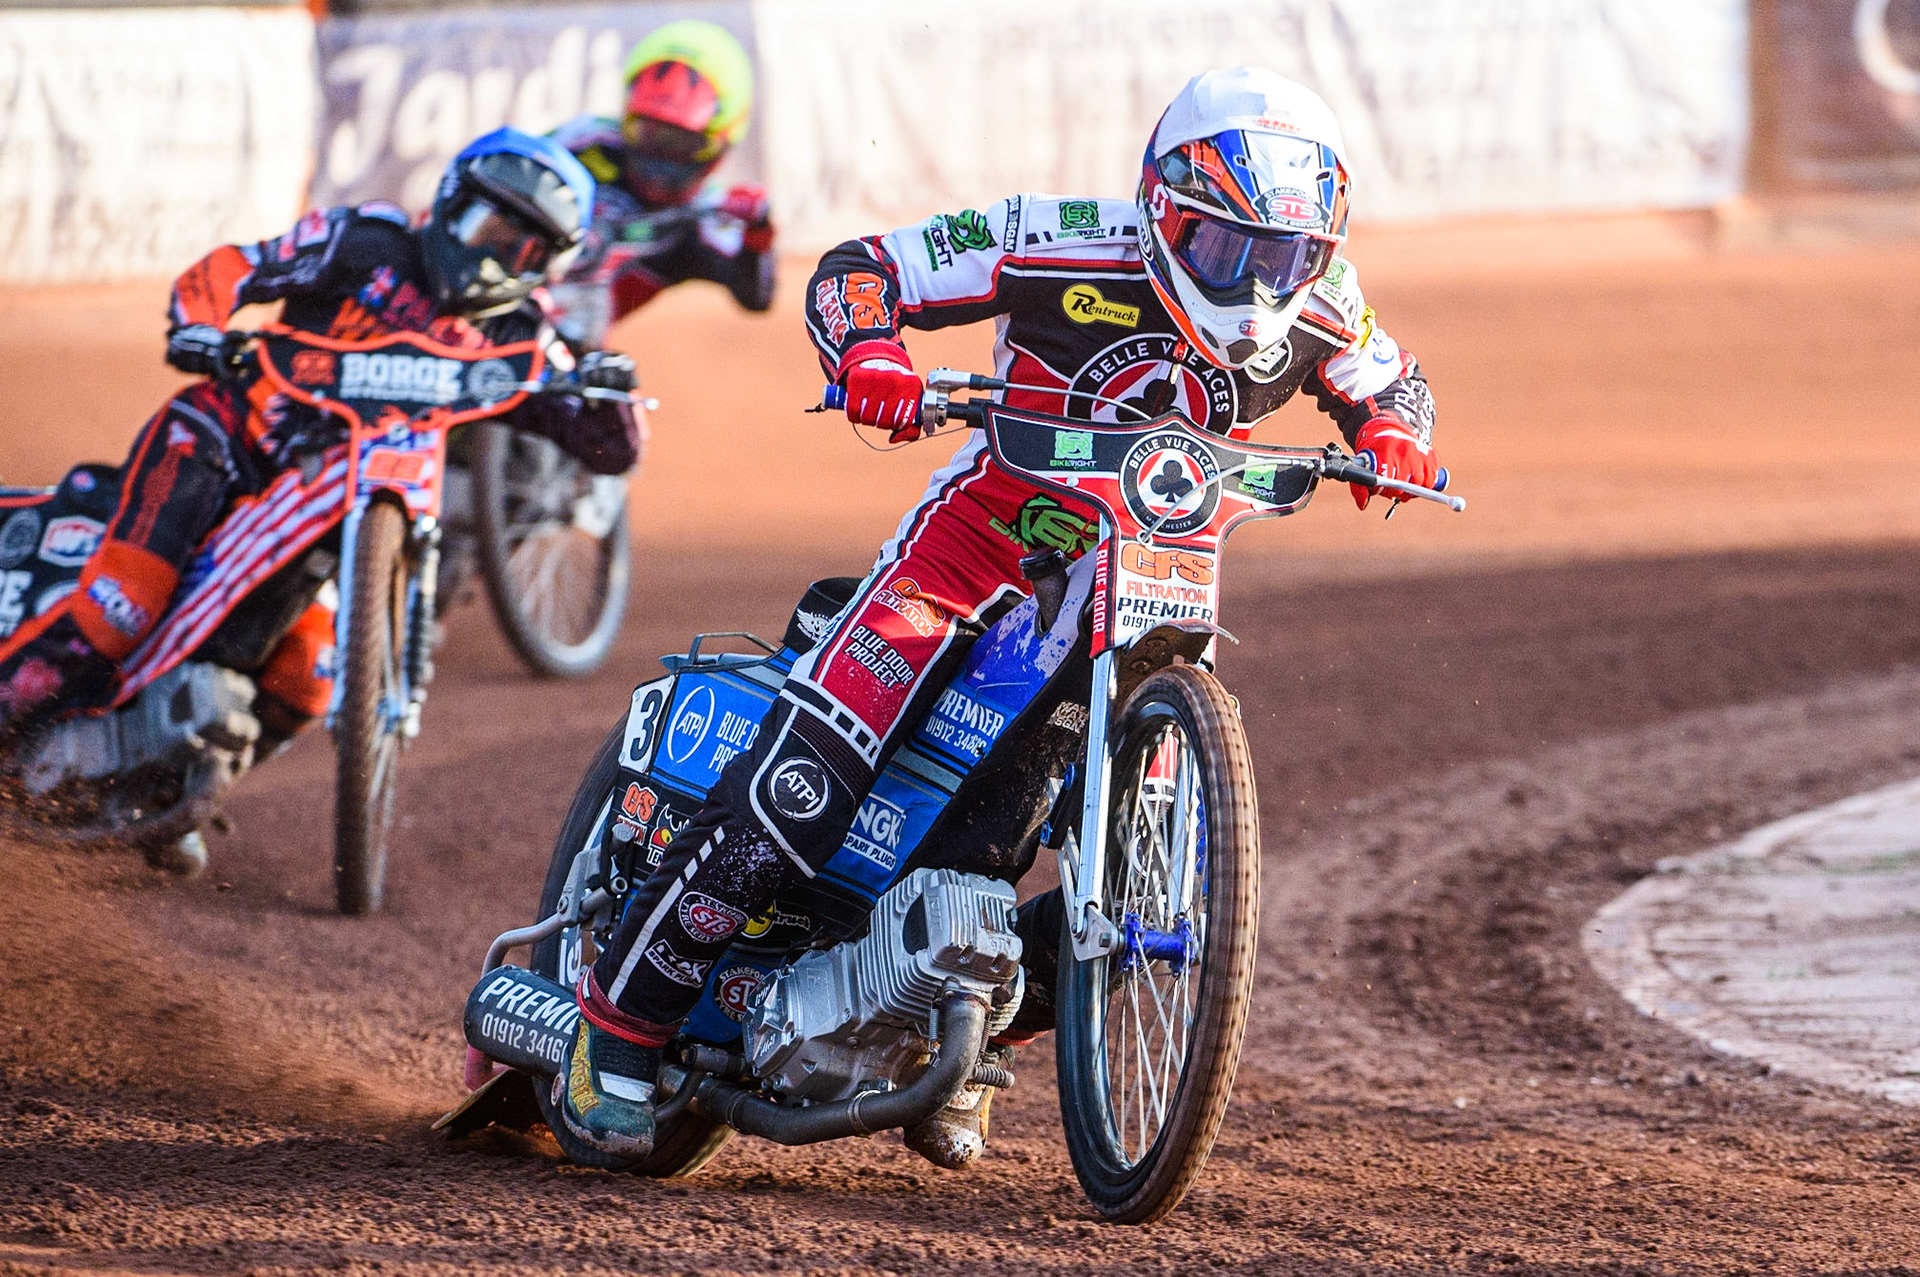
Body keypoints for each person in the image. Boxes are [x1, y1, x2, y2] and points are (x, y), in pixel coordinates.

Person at [555, 68, 1441, 1170]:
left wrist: (1398, 436)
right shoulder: (1058, 236)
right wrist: (872, 356)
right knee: (806, 783)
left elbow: (1395, 381)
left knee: (1077, 857)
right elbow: (863, 270)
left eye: (1285, 257)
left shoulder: (1323, 298)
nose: (1258, 282)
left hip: (1153, 578)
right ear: (1166, 210)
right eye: (1228, 249)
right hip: (977, 548)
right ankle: (620, 1024)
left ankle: (956, 1035)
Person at [0, 128, 639, 752]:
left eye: (521, 249)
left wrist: (611, 389)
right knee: (123, 609)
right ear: (448, 201)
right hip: (223, 442)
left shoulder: (517, 335)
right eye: (484, 227)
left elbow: (609, 451)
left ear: (547, 266)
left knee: (308, 681)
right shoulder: (363, 241)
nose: (489, 257)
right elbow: (238, 267)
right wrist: (200, 328)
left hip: (333, 514)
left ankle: (171, 782)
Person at [547, 19, 774, 344]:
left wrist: (758, 234)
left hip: (566, 353)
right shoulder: (583, 145)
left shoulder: (704, 218)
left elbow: (756, 298)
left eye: (683, 144)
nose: (659, 164)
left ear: (720, 143)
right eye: (648, 134)